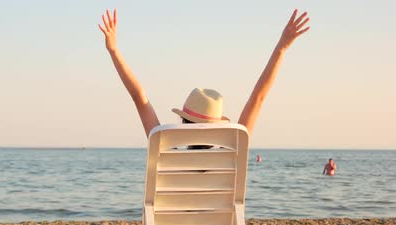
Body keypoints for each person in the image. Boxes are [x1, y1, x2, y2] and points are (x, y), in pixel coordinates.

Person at [98, 9, 310, 137]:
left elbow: (139, 98)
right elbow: (258, 99)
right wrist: (282, 46)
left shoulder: (165, 151)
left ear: (183, 121)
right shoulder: (233, 153)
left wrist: (113, 50)